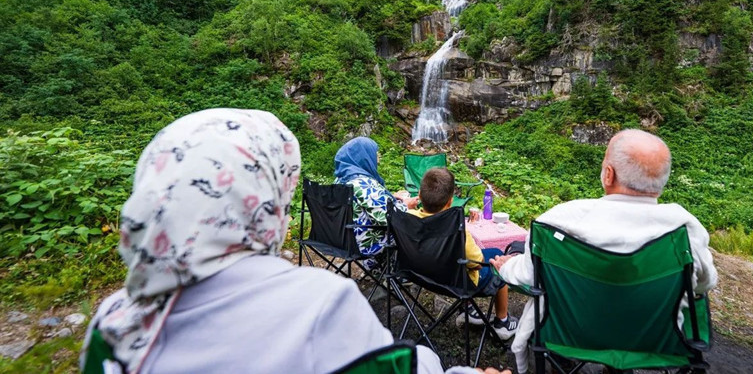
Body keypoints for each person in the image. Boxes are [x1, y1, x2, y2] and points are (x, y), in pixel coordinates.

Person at [79, 109, 443, 374]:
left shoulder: (111, 324)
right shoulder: (321, 304)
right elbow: (405, 367)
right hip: (374, 249)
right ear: (264, 196)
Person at [490, 129, 719, 374]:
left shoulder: (559, 221)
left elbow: (527, 275)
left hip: (570, 334)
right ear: (662, 181)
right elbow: (704, 284)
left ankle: (563, 363)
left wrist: (506, 266)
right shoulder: (685, 229)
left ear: (608, 175)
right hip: (652, 340)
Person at [409, 168, 519, 341]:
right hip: (457, 283)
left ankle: (468, 309)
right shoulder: (457, 230)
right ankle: (502, 321)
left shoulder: (408, 218)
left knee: (456, 261)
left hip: (421, 274)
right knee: (497, 255)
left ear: (420, 195)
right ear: (450, 202)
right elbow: (476, 262)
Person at [334, 137, 418, 268]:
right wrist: (407, 204)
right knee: (413, 229)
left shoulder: (341, 180)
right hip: (365, 243)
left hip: (341, 239)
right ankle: (401, 274)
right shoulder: (364, 184)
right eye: (375, 154)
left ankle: (377, 266)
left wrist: (391, 197)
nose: (378, 159)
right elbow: (387, 218)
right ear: (363, 156)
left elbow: (363, 205)